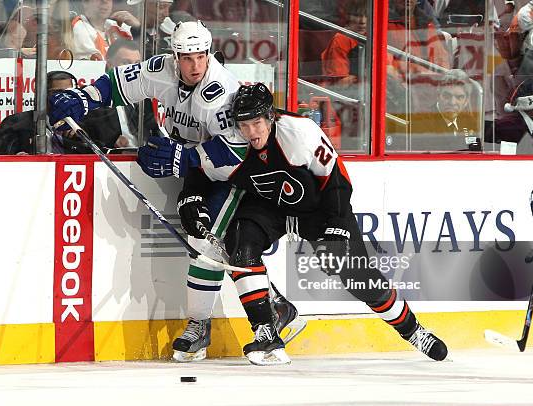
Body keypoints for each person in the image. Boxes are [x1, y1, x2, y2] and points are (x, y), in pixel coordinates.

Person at [47, 20, 303, 363]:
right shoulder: (162, 69)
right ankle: (275, 304)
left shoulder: (221, 91)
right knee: (203, 234)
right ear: (175, 55)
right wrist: (85, 97)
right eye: (187, 57)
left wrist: (181, 157)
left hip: (232, 174)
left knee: (205, 241)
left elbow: (235, 155)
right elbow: (121, 84)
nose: (195, 65)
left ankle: (201, 326)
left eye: (201, 56)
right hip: (197, 168)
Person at [174, 83, 449, 362]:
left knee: (359, 280)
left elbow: (337, 181)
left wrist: (338, 225)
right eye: (244, 125)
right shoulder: (232, 142)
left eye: (257, 123)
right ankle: (266, 332)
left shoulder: (300, 133)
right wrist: (190, 199)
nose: (251, 133)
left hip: (319, 209)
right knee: (240, 242)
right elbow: (200, 169)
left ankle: (412, 330)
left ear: (270, 116)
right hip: (270, 207)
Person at [0, 71, 127, 154]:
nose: (65, 98)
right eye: (58, 93)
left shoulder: (87, 125)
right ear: (41, 95)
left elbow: (101, 155)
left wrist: (82, 140)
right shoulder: (17, 124)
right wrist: (16, 158)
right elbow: (3, 155)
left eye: (69, 93)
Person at [409, 69, 479, 140]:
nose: (452, 102)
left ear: (466, 101)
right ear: (438, 95)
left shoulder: (469, 121)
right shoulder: (421, 122)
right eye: (447, 96)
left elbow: (474, 148)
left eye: (459, 97)